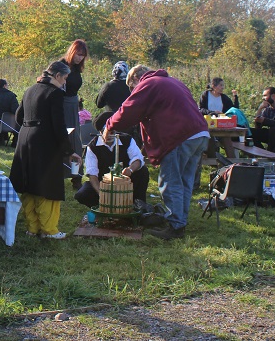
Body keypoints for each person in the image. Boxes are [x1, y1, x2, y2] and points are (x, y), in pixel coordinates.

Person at [104, 65, 209, 240]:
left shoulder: (149, 84)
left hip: (180, 136)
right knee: (185, 181)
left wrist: (109, 126)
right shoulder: (172, 82)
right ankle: (180, 221)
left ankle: (175, 226)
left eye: (131, 88)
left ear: (136, 79)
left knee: (171, 180)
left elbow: (129, 109)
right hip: (199, 134)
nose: (132, 92)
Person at [9, 61, 81, 240]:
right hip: (44, 142)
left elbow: (18, 117)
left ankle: (32, 228)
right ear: (57, 76)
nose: (64, 83)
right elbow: (59, 125)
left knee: (29, 184)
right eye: (64, 78)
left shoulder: (30, 89)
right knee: (47, 186)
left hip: (25, 139)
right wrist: (68, 150)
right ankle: (49, 230)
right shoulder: (55, 93)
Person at [74, 112, 149, 209]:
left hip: (126, 181)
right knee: (82, 194)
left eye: (112, 132)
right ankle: (104, 209)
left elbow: (137, 159)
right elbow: (92, 174)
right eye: (106, 132)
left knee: (143, 171)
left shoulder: (127, 139)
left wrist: (130, 170)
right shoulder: (92, 147)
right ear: (100, 132)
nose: (110, 136)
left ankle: (137, 206)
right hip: (104, 184)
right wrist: (102, 194)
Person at [61, 40, 88, 190]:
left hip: (73, 106)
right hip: (61, 105)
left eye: (82, 56)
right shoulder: (61, 65)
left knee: (75, 140)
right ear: (72, 52)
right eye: (78, 54)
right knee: (63, 136)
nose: (80, 58)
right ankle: (59, 172)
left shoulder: (77, 69)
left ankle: (76, 176)